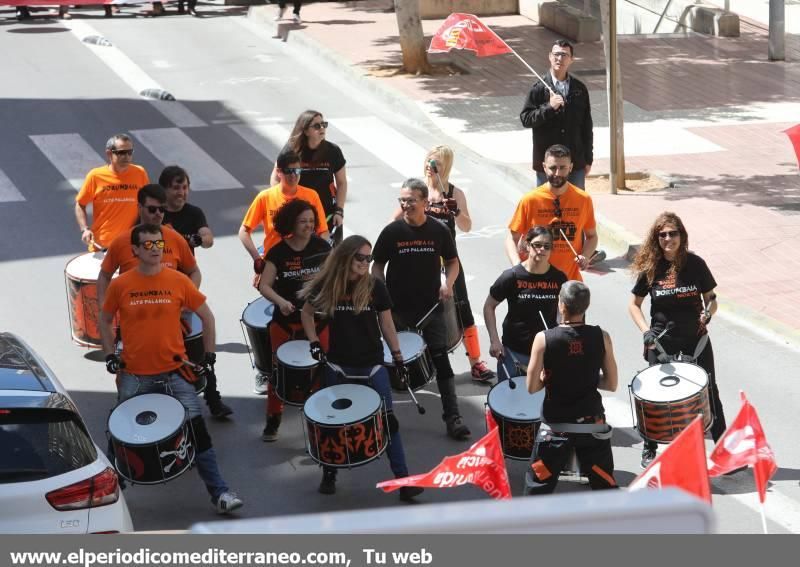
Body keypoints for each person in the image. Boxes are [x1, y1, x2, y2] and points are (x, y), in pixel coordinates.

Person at [99, 223, 243, 515]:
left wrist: (210, 355)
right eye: (149, 245)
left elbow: (208, 318)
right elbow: (104, 319)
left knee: (197, 430)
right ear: (135, 250)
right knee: (118, 434)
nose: (156, 249)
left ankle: (220, 493)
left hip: (174, 373)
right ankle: (109, 493)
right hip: (134, 375)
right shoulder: (121, 285)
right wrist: (109, 355)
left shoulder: (178, 281)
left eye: (159, 244)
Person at [299, 235, 424, 501]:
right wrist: (313, 342)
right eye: (360, 258)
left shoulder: (375, 287)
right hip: (337, 365)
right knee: (332, 425)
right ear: (346, 257)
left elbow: (387, 325)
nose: (365, 263)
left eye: (368, 258)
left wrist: (398, 357)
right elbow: (306, 312)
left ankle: (403, 481)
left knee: (389, 423)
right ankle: (329, 473)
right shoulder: (329, 283)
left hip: (372, 366)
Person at [97, 185, 232, 420]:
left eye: (161, 210)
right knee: (127, 370)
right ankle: (128, 415)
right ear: (139, 208)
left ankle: (212, 398)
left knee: (197, 358)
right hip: (134, 318)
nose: (158, 214)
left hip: (174, 315)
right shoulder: (122, 242)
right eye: (152, 209)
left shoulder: (174, 239)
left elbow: (193, 271)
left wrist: (183, 300)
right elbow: (104, 275)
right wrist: (104, 305)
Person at [372, 178, 470, 441]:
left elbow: (452, 262)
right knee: (393, 365)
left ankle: (453, 417)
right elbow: (377, 265)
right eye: (402, 200)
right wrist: (380, 289)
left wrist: (448, 284)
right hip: (398, 311)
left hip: (432, 310)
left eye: (411, 200)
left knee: (442, 362)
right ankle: (384, 419)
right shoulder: (392, 232)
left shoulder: (439, 231)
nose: (405, 205)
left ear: (425, 203)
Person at [629, 212, 727, 470]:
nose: (668, 238)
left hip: (695, 338)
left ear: (681, 236)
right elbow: (634, 305)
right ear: (656, 238)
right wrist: (645, 331)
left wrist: (709, 311)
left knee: (710, 390)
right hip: (661, 342)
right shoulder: (651, 268)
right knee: (652, 395)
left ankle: (724, 448)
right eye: (662, 234)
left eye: (673, 233)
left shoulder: (695, 264)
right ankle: (650, 447)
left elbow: (712, 298)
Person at [390, 145, 493, 382]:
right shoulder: (419, 193)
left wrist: (456, 212)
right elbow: (393, 221)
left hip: (449, 261)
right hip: (419, 264)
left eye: (434, 164)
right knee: (419, 311)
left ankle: (476, 361)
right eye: (428, 162)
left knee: (462, 306)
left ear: (444, 167)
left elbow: (467, 226)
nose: (429, 167)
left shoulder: (454, 193)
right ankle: (420, 360)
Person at [525, 280, 618, 494]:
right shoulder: (601, 336)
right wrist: (587, 379)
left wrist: (545, 377)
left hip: (555, 430)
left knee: (537, 489)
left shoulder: (543, 339)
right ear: (585, 307)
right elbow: (611, 384)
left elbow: (532, 387)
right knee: (605, 489)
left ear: (561, 305)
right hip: (593, 427)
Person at [258, 199, 331, 442]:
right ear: (291, 222)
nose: (308, 225)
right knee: (278, 370)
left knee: (320, 370)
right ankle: (273, 418)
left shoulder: (323, 248)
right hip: (285, 323)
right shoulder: (278, 252)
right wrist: (280, 302)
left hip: (318, 322)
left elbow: (333, 281)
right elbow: (264, 285)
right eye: (303, 221)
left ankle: (320, 421)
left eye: (312, 221)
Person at [484, 226, 567, 381]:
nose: (542, 250)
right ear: (527, 246)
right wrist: (494, 340)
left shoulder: (559, 279)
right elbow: (489, 306)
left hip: (546, 354)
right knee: (508, 402)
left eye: (547, 246)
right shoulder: (512, 276)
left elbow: (566, 313)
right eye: (537, 245)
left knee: (542, 403)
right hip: (513, 352)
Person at [506, 144, 598, 282]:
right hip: (535, 282)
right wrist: (517, 266)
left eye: (562, 168)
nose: (557, 174)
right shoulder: (530, 200)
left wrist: (585, 255)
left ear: (571, 167)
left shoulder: (583, 199)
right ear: (544, 167)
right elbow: (511, 239)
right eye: (553, 168)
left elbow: (592, 236)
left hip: (568, 281)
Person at [239, 149, 329, 276]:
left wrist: (318, 255)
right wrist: (257, 259)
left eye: (297, 171)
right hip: (274, 264)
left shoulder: (311, 195)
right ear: (279, 172)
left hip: (304, 264)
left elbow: (323, 231)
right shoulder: (265, 197)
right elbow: (244, 231)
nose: (293, 175)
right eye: (288, 171)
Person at [520, 39, 593, 190]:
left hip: (574, 163)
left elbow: (586, 127)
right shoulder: (538, 89)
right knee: (546, 209)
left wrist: (588, 159)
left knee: (575, 209)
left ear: (571, 60)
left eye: (565, 55)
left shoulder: (579, 89)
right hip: (548, 165)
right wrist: (549, 107)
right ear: (549, 56)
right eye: (557, 54)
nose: (560, 58)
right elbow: (526, 119)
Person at [271, 111, 347, 245]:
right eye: (317, 126)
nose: (322, 128)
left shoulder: (333, 151)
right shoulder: (292, 150)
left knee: (330, 259)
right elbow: (276, 178)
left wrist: (339, 211)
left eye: (324, 125)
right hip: (298, 216)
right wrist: (283, 206)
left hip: (326, 214)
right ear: (305, 131)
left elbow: (341, 183)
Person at [75, 133, 149, 251]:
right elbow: (80, 204)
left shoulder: (140, 173)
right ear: (109, 153)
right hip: (102, 246)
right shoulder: (95, 176)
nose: (127, 157)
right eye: (121, 153)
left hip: (131, 246)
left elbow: (148, 204)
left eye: (130, 152)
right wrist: (85, 229)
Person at [160, 166, 214, 254]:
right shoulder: (154, 211)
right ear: (164, 190)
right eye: (176, 188)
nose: (181, 193)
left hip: (186, 267)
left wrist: (199, 240)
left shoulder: (194, 213)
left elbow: (208, 238)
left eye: (185, 188)